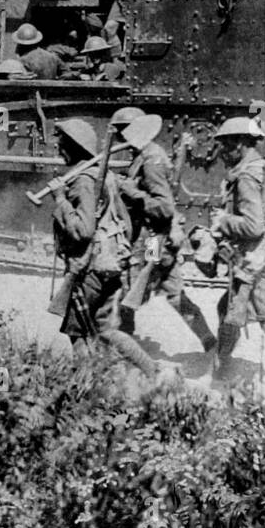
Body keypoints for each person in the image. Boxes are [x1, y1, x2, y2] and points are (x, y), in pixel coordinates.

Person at [45, 118, 156, 379]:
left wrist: (60, 200)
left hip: (89, 269)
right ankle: (151, 371)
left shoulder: (84, 181)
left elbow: (82, 230)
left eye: (61, 143)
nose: (58, 149)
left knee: (78, 332)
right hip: (111, 264)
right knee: (106, 329)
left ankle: (84, 388)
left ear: (73, 147)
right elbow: (124, 222)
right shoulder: (104, 178)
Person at [208, 116, 265, 399]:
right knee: (228, 309)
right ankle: (221, 373)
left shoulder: (247, 177)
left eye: (225, 145)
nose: (222, 151)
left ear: (239, 144)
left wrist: (224, 220)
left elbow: (253, 226)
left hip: (253, 261)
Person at [115, 112, 219, 363]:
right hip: (161, 238)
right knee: (173, 292)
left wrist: (129, 191)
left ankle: (123, 346)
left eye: (121, 131)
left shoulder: (151, 160)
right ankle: (209, 341)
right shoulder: (148, 154)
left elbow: (163, 206)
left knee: (130, 288)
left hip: (153, 240)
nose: (119, 137)